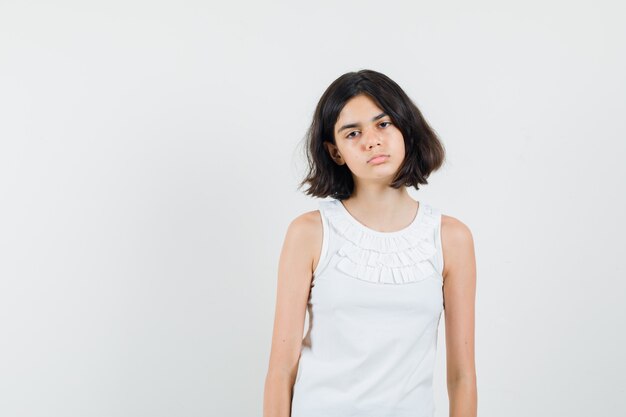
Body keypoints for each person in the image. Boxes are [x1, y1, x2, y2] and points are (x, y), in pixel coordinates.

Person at [263, 69, 477, 417]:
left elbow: (462, 376)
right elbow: (280, 370)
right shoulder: (310, 233)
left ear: (406, 128)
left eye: (383, 124)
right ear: (335, 152)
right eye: (353, 133)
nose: (372, 141)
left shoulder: (451, 238)